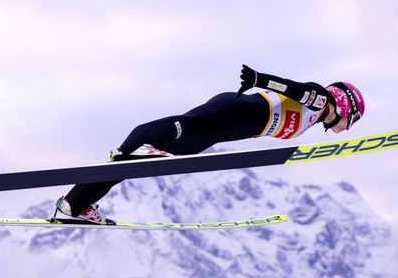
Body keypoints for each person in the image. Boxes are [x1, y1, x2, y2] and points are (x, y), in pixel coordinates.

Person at [53, 64, 365, 224]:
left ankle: (75, 203)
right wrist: (260, 79)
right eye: (349, 120)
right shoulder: (319, 99)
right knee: (182, 126)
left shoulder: (313, 119)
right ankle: (132, 146)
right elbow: (293, 88)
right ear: (343, 104)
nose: (344, 128)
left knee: (133, 167)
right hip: (237, 110)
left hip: (234, 129)